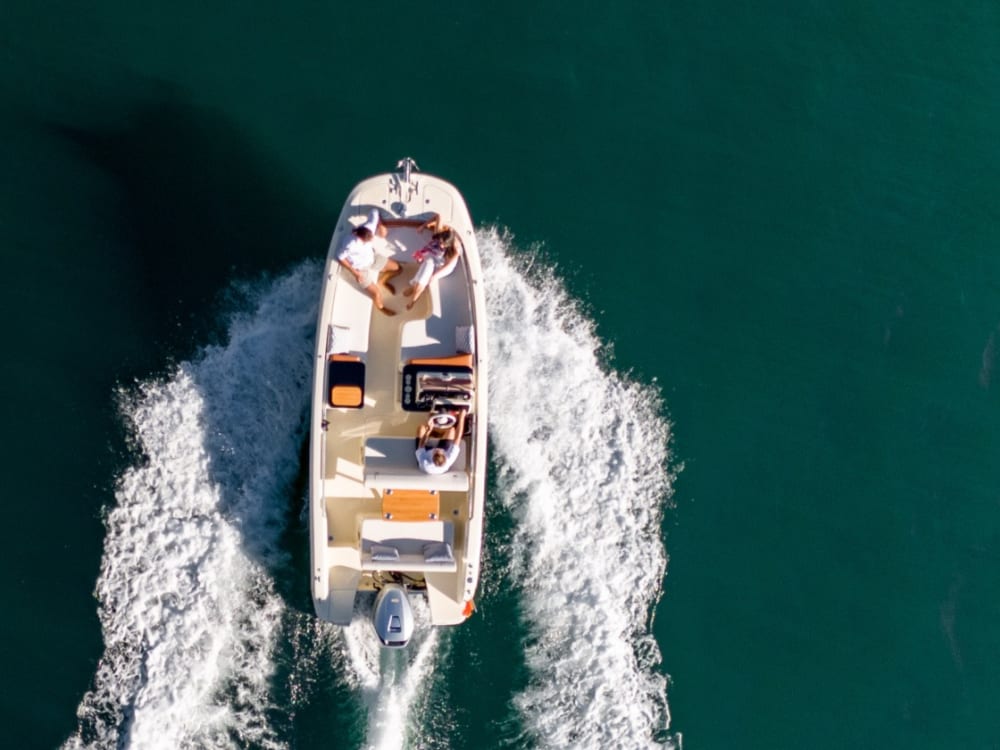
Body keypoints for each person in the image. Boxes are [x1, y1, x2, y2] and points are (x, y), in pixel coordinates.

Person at [404, 226, 463, 310]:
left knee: (422, 281)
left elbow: (448, 266)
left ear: (449, 244)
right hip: (435, 258)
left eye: (444, 244)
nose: (441, 245)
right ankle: (414, 286)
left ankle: (413, 300)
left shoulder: (455, 251)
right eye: (440, 242)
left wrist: (434, 276)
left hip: (444, 266)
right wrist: (423, 226)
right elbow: (439, 217)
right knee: (423, 271)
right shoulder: (440, 239)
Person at [415, 409, 467, 474]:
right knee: (452, 431)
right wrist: (462, 417)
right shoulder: (450, 458)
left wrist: (428, 431)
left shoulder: (424, 462)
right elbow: (458, 436)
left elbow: (421, 445)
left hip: (425, 453)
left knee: (421, 428)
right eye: (440, 451)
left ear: (432, 456)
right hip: (441, 452)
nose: (437, 449)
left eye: (436, 451)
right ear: (445, 455)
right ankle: (438, 431)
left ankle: (434, 430)